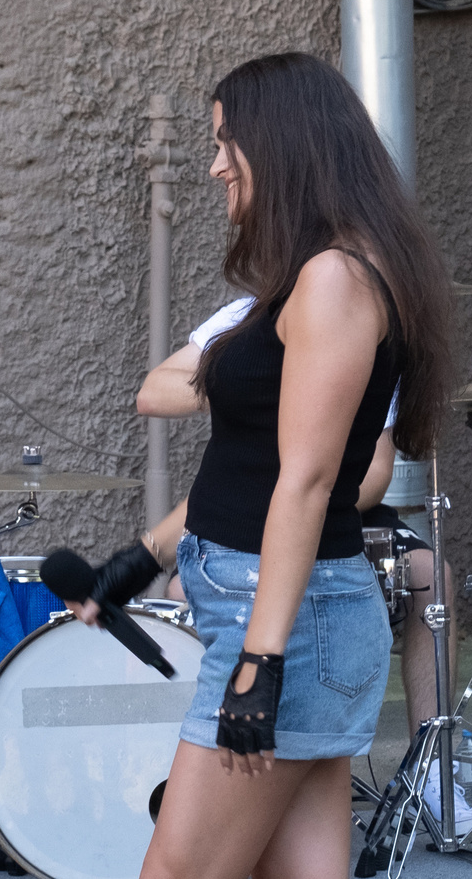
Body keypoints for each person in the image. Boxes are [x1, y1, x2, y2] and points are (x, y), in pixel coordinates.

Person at [0, 51, 453, 879]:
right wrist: (141, 560)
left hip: (289, 621)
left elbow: (310, 486)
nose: (217, 161)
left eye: (227, 139)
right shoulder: (310, 276)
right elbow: (245, 473)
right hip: (268, 604)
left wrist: (256, 666)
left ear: (282, 142)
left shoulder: (335, 280)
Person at [141, 300, 444, 734]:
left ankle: (431, 755)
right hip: (254, 507)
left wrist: (292, 503)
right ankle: (199, 724)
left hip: (339, 506)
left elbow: (375, 475)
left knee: (432, 574)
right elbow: (153, 391)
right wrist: (249, 381)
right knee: (180, 587)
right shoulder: (246, 315)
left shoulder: (355, 317)